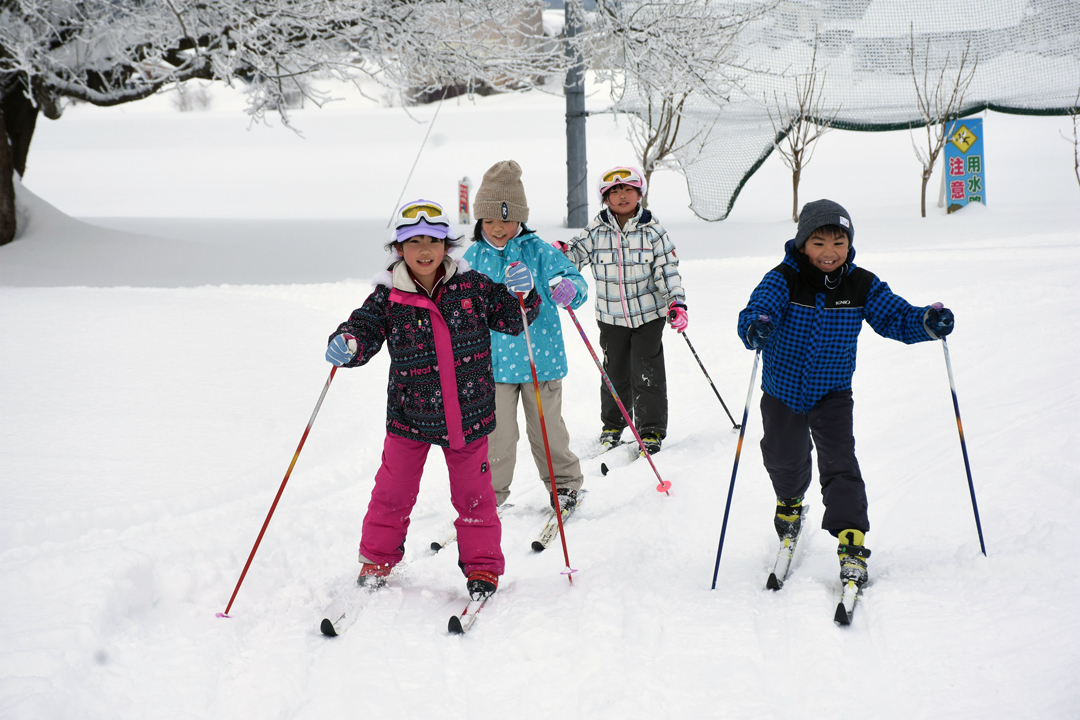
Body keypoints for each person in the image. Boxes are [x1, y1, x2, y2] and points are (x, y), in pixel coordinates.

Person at [325, 199, 541, 601]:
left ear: (447, 246)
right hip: (409, 416)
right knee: (392, 491)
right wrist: (348, 343)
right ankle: (377, 559)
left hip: (468, 415)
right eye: (413, 242)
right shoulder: (388, 297)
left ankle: (482, 568)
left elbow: (514, 318)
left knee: (475, 496)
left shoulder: (472, 287)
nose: (424, 251)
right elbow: (364, 328)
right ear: (398, 250)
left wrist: (524, 295)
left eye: (433, 241)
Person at [736, 198, 956, 588]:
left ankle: (851, 540)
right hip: (782, 390)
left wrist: (926, 321)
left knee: (840, 464)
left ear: (849, 245)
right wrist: (757, 326)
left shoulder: (861, 283)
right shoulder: (783, 278)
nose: (829, 253)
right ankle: (790, 503)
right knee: (784, 458)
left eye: (839, 243)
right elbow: (758, 308)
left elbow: (895, 317)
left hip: (832, 392)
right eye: (819, 243)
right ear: (803, 244)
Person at [462, 160, 590, 512]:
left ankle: (564, 485)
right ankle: (491, 494)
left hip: (541, 361)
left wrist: (567, 288)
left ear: (520, 218)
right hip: (493, 366)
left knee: (547, 431)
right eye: (489, 221)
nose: (498, 228)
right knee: (497, 437)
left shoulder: (539, 251)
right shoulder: (471, 259)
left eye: (505, 220)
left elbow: (576, 283)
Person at [560, 166, 687, 455]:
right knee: (614, 372)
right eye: (614, 192)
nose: (621, 196)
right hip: (611, 317)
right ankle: (613, 424)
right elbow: (573, 255)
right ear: (605, 199)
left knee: (647, 372)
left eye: (628, 190)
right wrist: (558, 254)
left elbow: (667, 269)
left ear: (639, 194)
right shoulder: (596, 230)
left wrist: (675, 302)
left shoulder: (654, 230)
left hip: (649, 315)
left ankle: (650, 429)